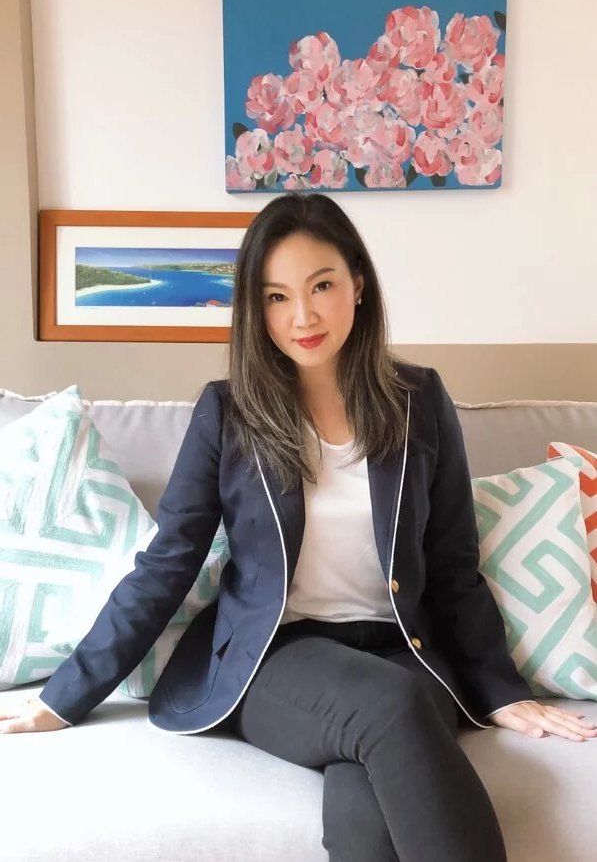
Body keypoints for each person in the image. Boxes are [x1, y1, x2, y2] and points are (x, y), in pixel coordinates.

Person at [1, 194, 595, 862]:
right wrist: (65, 697)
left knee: (368, 807)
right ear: (255, 310)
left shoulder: (419, 400)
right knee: (391, 705)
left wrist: (500, 692)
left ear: (358, 284)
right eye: (277, 297)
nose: (302, 316)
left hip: (403, 649)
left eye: (321, 286)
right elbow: (167, 563)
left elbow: (454, 563)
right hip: (277, 656)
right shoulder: (228, 412)